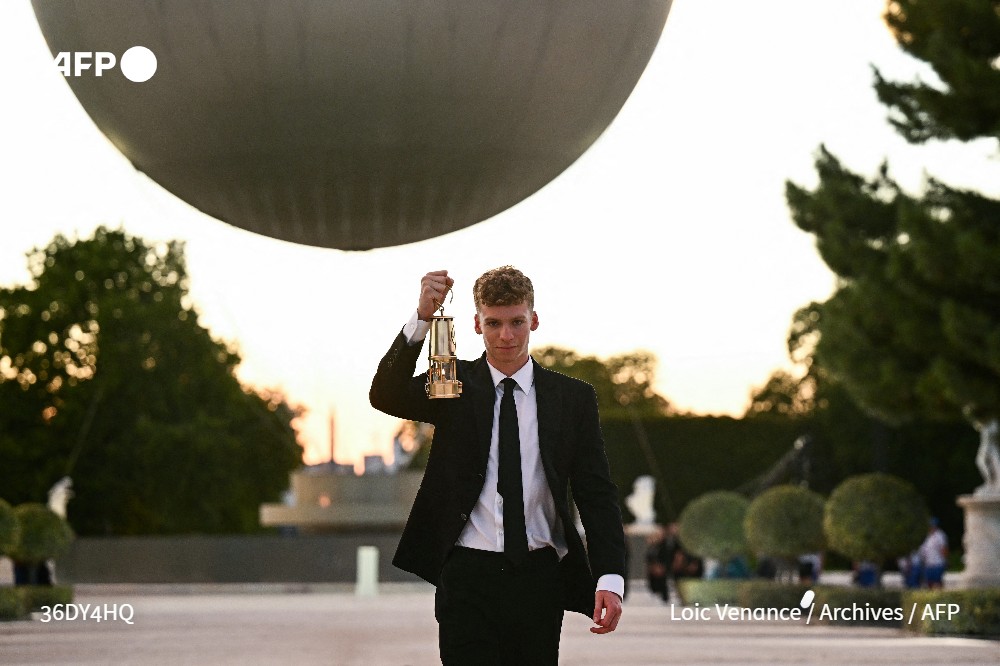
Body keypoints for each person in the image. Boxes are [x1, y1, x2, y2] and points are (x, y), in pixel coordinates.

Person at [369, 267, 626, 665]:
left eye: (516, 322)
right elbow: (384, 394)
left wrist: (610, 576)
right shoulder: (450, 384)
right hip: (467, 574)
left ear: (533, 321)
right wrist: (422, 317)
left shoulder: (572, 398)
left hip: (539, 576)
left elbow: (596, 492)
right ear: (476, 324)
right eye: (494, 323)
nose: (506, 335)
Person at [918, 517, 948, 589]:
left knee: (937, 582)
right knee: (929, 582)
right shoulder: (928, 536)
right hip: (928, 564)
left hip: (937, 563)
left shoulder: (940, 535)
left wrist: (945, 560)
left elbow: (943, 548)